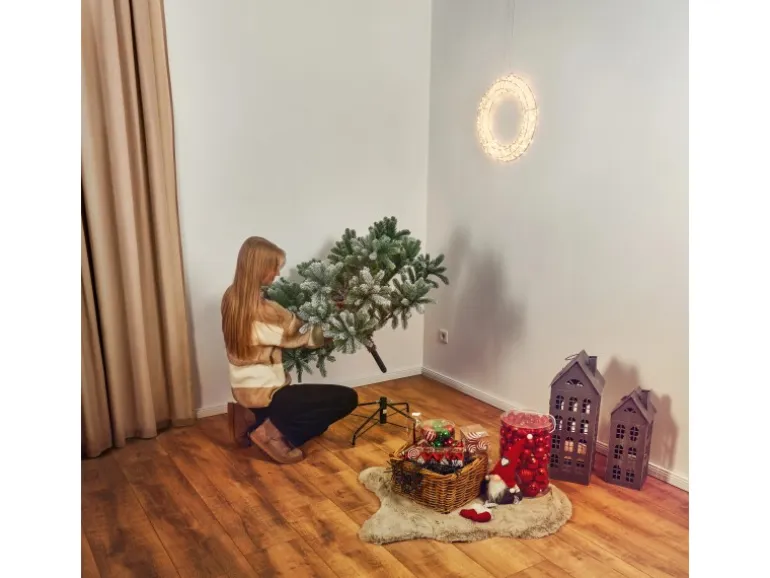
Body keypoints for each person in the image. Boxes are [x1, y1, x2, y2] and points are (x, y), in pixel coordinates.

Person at [221, 236, 358, 463]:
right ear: (260, 267)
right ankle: (269, 434)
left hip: (245, 390)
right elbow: (304, 334)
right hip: (269, 393)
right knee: (346, 398)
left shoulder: (232, 298)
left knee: (319, 425)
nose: (277, 273)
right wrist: (344, 322)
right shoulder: (266, 311)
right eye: (274, 267)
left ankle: (248, 416)